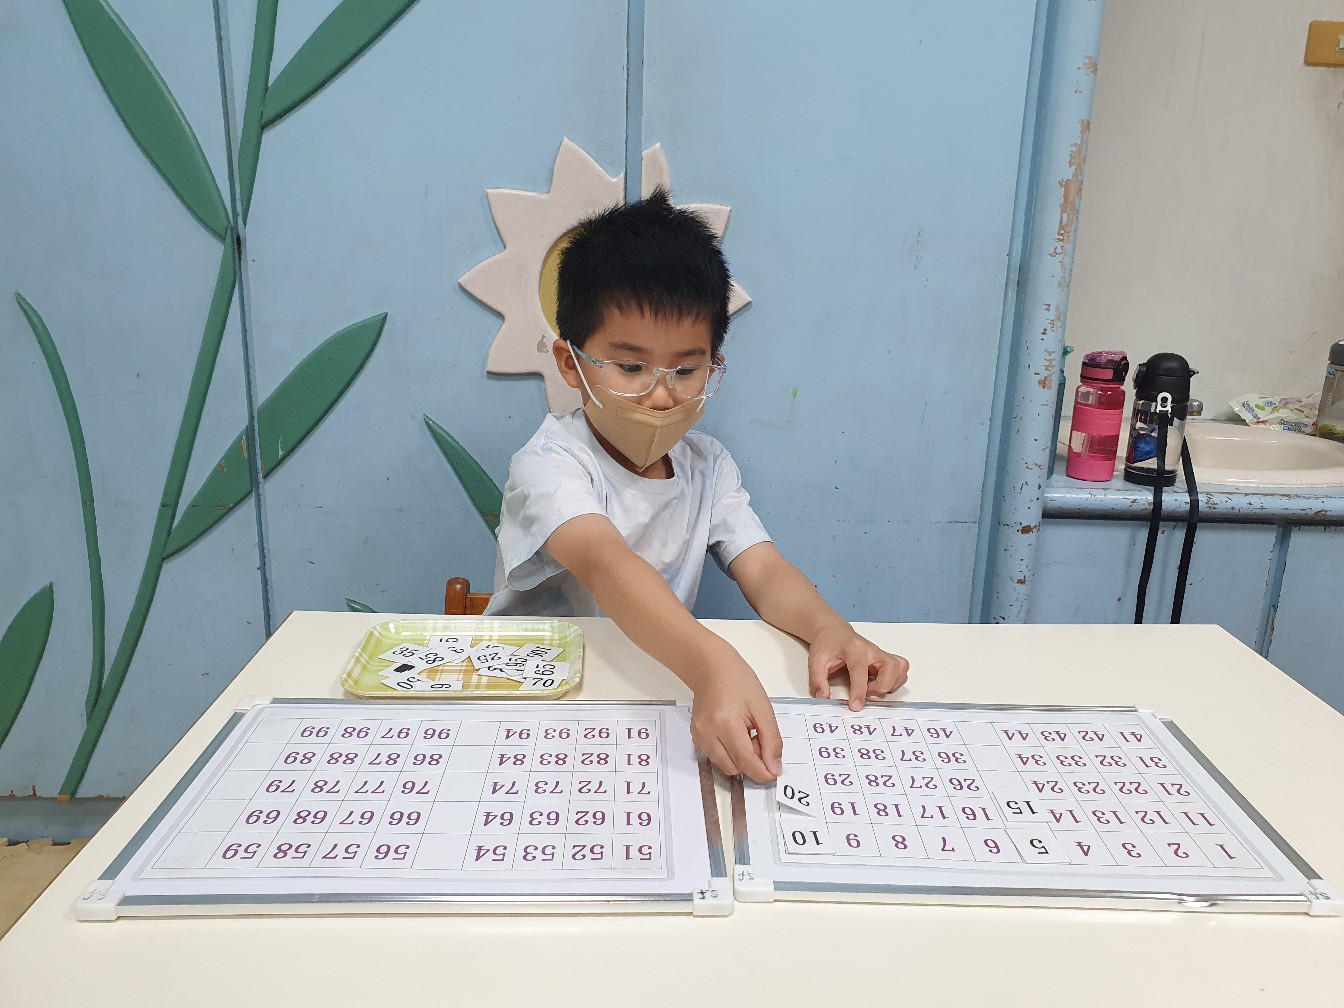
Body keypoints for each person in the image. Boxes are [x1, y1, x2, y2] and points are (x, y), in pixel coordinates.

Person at [483, 189, 909, 783]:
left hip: (651, 682)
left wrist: (827, 628)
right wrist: (713, 664)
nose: (661, 394)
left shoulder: (708, 465)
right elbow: (606, 564)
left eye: (686, 370)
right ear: (569, 362)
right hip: (531, 699)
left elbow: (764, 569)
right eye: (631, 367)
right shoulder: (550, 463)